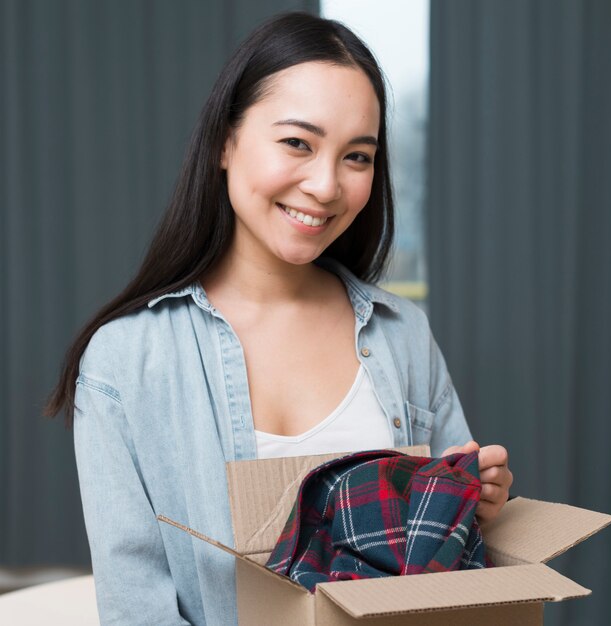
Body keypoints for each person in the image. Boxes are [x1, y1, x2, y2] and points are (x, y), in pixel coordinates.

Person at [46, 12, 513, 626]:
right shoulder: (125, 362)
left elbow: (448, 569)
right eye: (297, 142)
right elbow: (138, 608)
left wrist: (477, 503)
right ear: (226, 140)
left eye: (357, 156)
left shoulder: (402, 336)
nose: (325, 185)